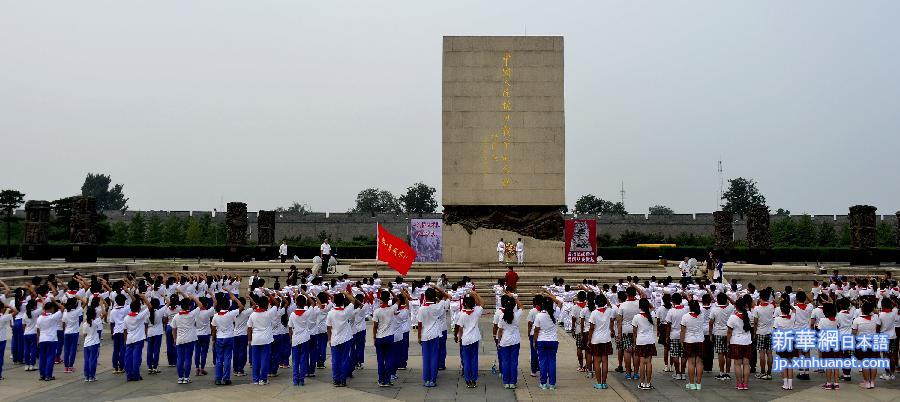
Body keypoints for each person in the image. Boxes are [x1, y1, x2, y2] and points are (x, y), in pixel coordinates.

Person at [417, 285, 450, 387]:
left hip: (425, 335)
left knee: (426, 358)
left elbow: (419, 325)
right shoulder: (438, 306)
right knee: (434, 357)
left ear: (425, 297)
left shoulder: (422, 309)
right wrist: (437, 288)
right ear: (434, 296)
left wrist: (418, 337)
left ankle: (426, 379)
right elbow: (448, 296)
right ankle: (433, 379)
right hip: (435, 334)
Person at [326, 289, 360, 387]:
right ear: (343, 301)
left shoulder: (331, 313)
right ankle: (343, 379)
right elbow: (353, 300)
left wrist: (329, 339)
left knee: (335, 360)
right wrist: (345, 293)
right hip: (346, 338)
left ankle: (336, 379)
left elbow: (328, 327)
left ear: (334, 301)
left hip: (335, 339)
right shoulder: (346, 311)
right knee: (345, 359)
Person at [210, 292, 243, 385]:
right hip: (229, 337)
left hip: (219, 337)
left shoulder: (216, 315)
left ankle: (218, 378)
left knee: (219, 359)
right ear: (228, 306)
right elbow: (241, 307)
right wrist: (236, 299)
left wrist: (213, 339)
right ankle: (226, 378)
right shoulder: (230, 314)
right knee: (227, 358)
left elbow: (213, 329)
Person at [455, 289, 485, 388]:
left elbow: (460, 329)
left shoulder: (462, 314)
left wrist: (459, 338)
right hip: (475, 338)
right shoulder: (476, 311)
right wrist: (475, 293)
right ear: (473, 304)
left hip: (466, 339)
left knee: (466, 360)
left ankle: (468, 380)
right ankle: (474, 379)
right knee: (474, 359)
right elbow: (482, 303)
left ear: (464, 304)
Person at [532, 293, 561, 390]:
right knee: (552, 362)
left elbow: (536, 330)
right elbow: (560, 303)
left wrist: (534, 341)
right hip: (553, 340)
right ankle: (552, 383)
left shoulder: (539, 315)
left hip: (542, 340)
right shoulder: (554, 313)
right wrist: (550, 296)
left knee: (543, 362)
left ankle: (543, 383)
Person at [123, 293, 153, 382]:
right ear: (139, 308)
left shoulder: (126, 318)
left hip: (129, 339)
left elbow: (125, 330)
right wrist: (144, 298)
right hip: (138, 339)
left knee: (128, 358)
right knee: (136, 358)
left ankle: (129, 375)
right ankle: (136, 375)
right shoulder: (139, 316)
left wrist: (125, 340)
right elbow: (150, 307)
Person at [588, 293, 615, 389]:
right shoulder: (609, 311)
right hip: (606, 339)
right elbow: (610, 306)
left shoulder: (594, 313)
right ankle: (604, 382)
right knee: (605, 361)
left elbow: (591, 328)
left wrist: (589, 339)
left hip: (596, 339)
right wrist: (605, 297)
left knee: (596, 361)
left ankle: (599, 383)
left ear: (596, 303)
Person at [497, 293, 524, 389]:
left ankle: (506, 382)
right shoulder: (516, 315)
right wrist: (514, 297)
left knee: (505, 361)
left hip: (505, 340)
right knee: (514, 362)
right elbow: (521, 306)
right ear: (513, 306)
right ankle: (513, 382)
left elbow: (500, 330)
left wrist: (499, 341)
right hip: (515, 340)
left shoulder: (502, 316)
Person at [372, 290, 398, 387]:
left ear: (381, 299)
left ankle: (381, 379)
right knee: (389, 359)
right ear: (389, 299)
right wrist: (391, 292)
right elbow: (398, 300)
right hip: (389, 337)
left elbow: (375, 326)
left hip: (380, 337)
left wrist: (374, 337)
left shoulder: (377, 311)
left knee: (380, 360)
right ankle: (387, 380)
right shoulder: (392, 309)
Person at [727, 297, 753, 390]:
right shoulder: (749, 314)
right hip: (747, 341)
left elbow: (729, 332)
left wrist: (727, 342)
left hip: (736, 341)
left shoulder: (733, 317)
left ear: (736, 306)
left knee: (737, 364)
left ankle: (739, 383)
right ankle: (745, 384)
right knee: (746, 363)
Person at [35, 299, 64, 381]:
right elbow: (62, 308)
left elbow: (38, 330)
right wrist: (55, 302)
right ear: (51, 308)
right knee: (50, 357)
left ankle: (42, 374)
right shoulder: (53, 316)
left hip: (42, 339)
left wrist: (37, 340)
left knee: (42, 358)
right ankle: (48, 375)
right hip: (51, 339)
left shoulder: (40, 318)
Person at [632, 298, 656, 390]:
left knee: (642, 363)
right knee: (649, 363)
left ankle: (642, 383)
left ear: (639, 306)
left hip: (640, 341)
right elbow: (652, 307)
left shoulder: (636, 317)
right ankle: (648, 383)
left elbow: (634, 332)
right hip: (650, 341)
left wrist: (634, 343)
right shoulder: (652, 314)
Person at [680, 300, 705, 390]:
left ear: (689, 307)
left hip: (689, 340)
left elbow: (683, 331)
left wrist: (681, 341)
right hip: (700, 340)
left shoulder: (685, 317)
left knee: (691, 362)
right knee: (699, 362)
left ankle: (691, 383)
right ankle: (698, 384)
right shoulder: (701, 315)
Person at [80, 305, 104, 382]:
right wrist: (101, 304)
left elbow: (84, 334)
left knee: (86, 360)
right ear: (94, 314)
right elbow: (104, 313)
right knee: (93, 360)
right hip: (94, 343)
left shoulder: (84, 324)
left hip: (86, 344)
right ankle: (92, 376)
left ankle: (86, 376)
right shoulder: (96, 321)